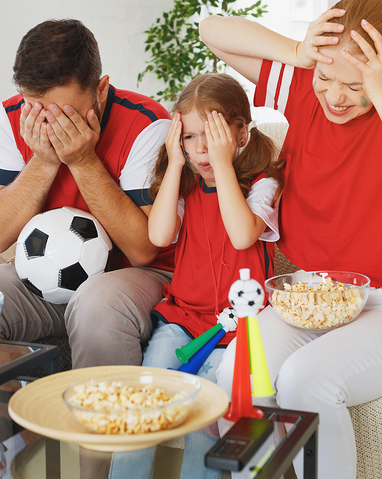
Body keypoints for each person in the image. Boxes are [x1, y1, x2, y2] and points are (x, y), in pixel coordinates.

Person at [199, 0, 382, 479]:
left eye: (355, 83)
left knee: (304, 381)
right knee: (239, 366)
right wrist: (300, 54)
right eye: (327, 77)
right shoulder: (303, 91)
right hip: (312, 301)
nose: (336, 96)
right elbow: (211, 31)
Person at [0, 19, 175, 370]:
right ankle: (11, 422)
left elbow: (144, 249)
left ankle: (100, 423)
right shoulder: (11, 115)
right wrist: (43, 162)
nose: (51, 124)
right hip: (47, 272)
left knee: (97, 302)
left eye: (66, 112)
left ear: (101, 90)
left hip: (140, 278)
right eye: (38, 110)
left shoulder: (147, 124)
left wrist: (84, 162)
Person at [109, 73, 285, 479]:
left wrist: (222, 166)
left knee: (204, 422)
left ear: (241, 132)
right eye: (189, 136)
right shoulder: (185, 184)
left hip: (235, 331)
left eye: (214, 134)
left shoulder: (263, 184)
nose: (202, 148)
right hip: (181, 320)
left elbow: (242, 234)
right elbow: (159, 234)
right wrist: (173, 163)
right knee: (142, 410)